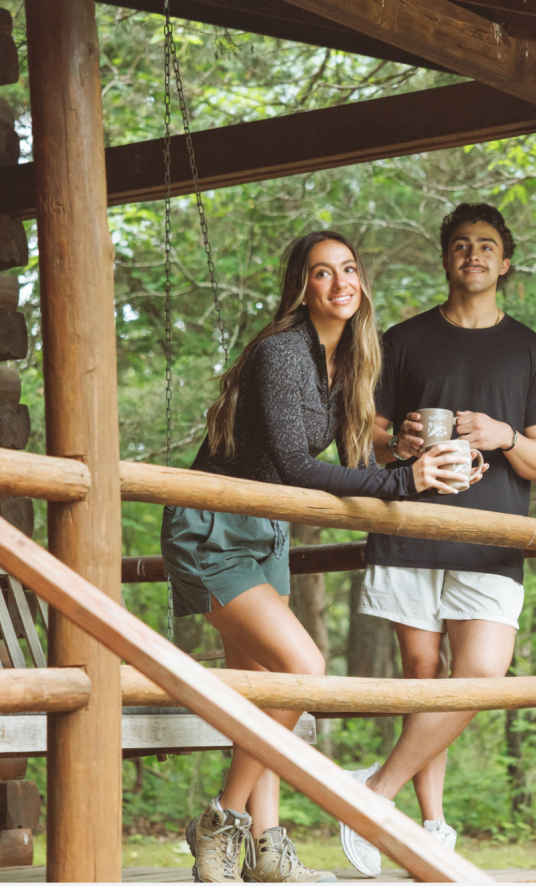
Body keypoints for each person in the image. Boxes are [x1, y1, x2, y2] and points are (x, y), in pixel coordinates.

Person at [164, 230, 479, 884]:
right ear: (301, 288)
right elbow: (296, 466)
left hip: (267, 531)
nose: (340, 284)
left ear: (361, 282)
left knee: (264, 696)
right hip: (214, 527)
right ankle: (220, 820)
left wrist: (427, 466)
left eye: (349, 270)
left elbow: (362, 465)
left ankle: (269, 849)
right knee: (303, 667)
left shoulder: (354, 362)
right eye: (321, 273)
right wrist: (401, 483)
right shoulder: (281, 354)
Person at [338, 203, 536, 875]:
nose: (473, 255)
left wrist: (505, 436)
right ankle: (431, 825)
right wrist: (397, 440)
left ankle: (374, 792)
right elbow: (364, 433)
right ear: (445, 258)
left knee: (482, 677)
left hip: (492, 541)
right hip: (411, 528)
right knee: (423, 679)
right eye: (461, 245)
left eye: (487, 245)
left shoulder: (533, 351)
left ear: (507, 261)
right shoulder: (404, 341)